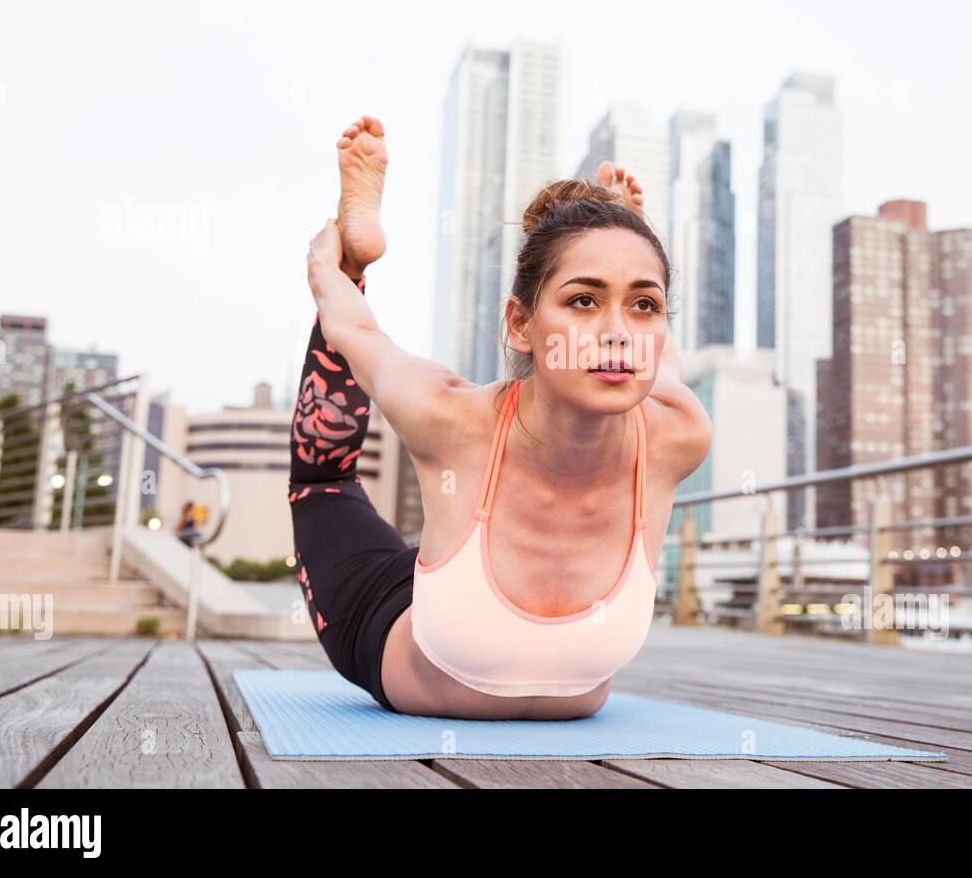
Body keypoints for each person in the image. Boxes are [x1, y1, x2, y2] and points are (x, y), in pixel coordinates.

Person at [289, 115, 712, 720]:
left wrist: (622, 232)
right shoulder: (450, 418)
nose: (619, 334)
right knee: (322, 478)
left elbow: (658, 357)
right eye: (583, 300)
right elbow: (355, 330)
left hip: (458, 574)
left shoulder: (678, 436)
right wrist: (342, 268)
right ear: (520, 324)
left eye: (644, 303)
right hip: (391, 621)